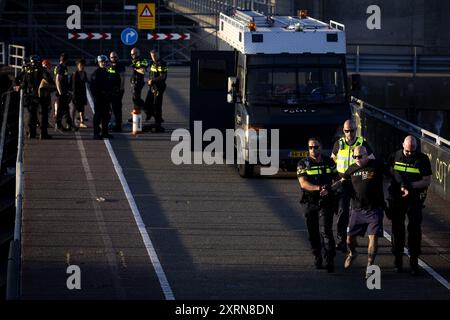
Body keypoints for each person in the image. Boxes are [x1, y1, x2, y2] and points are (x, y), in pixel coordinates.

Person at [337, 146, 401, 278]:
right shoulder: (351, 168)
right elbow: (342, 181)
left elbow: (392, 173)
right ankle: (352, 253)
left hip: (374, 209)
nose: (357, 159)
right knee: (349, 240)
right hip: (357, 209)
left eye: (360, 156)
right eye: (355, 157)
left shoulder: (376, 165)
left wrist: (402, 184)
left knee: (373, 237)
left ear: (367, 155)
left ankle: (370, 265)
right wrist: (328, 189)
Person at [387, 135, 432, 275]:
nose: (410, 154)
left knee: (414, 228)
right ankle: (398, 260)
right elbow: (389, 172)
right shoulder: (395, 156)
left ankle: (414, 261)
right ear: (403, 146)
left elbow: (426, 181)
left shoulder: (422, 159)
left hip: (414, 198)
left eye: (413, 151)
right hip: (397, 198)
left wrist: (409, 186)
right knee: (397, 228)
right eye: (407, 151)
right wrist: (400, 186)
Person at [331, 119, 375, 252]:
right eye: (346, 131)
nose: (349, 133)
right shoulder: (338, 143)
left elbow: (372, 160)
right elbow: (334, 157)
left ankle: (362, 239)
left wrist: (365, 175)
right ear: (343, 131)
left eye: (352, 130)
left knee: (362, 211)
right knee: (343, 211)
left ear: (356, 130)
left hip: (358, 183)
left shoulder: (362, 143)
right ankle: (342, 240)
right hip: (344, 182)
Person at [297, 138, 338, 272]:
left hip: (326, 202)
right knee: (313, 232)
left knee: (326, 230)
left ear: (321, 147)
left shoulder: (329, 162)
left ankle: (330, 259)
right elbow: (303, 183)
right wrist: (319, 188)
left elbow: (337, 179)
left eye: (315, 147)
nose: (313, 150)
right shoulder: (303, 163)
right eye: (310, 147)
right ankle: (317, 256)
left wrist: (330, 188)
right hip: (310, 202)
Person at [18, 55, 54, 139]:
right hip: (41, 95)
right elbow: (48, 79)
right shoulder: (42, 70)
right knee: (43, 115)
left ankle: (31, 133)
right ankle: (43, 134)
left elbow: (22, 83)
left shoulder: (27, 70)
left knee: (32, 115)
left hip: (30, 95)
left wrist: (20, 87)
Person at [145, 49, 168, 132]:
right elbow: (151, 73)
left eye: (155, 55)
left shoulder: (161, 63)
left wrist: (153, 80)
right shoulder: (152, 63)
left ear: (158, 55)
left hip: (159, 87)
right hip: (152, 87)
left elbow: (163, 76)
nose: (153, 57)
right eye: (152, 56)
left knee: (157, 105)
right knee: (147, 103)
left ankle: (158, 122)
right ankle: (155, 117)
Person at [90, 55, 112, 140]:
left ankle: (105, 132)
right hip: (99, 98)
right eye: (102, 62)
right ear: (98, 63)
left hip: (106, 98)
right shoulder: (96, 74)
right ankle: (96, 133)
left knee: (106, 115)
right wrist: (97, 97)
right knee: (98, 116)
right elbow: (93, 88)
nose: (103, 63)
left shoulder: (106, 72)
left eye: (104, 61)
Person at [54, 52, 75, 131]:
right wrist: (60, 92)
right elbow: (57, 80)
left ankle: (69, 124)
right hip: (61, 92)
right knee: (60, 110)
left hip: (64, 91)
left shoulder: (62, 67)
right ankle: (58, 126)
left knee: (66, 109)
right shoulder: (61, 68)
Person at [107, 51, 125, 132]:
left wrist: (121, 89)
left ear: (117, 57)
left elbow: (122, 77)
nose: (113, 58)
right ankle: (111, 123)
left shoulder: (120, 65)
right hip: (109, 90)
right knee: (110, 108)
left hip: (117, 90)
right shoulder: (109, 65)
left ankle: (118, 126)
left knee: (117, 108)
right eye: (112, 57)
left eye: (114, 57)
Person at [70, 58, 88, 128]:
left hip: (82, 93)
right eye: (80, 65)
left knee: (82, 108)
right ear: (77, 66)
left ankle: (82, 122)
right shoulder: (75, 74)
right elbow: (73, 86)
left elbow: (86, 82)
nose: (82, 67)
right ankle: (71, 123)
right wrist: (74, 96)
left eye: (83, 65)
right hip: (75, 94)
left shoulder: (85, 73)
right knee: (74, 109)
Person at [130, 47, 148, 113]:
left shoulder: (142, 60)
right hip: (134, 82)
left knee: (136, 99)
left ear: (138, 53)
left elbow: (143, 71)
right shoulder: (134, 60)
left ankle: (147, 109)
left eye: (133, 54)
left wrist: (135, 69)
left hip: (139, 82)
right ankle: (135, 114)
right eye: (131, 54)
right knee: (135, 99)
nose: (132, 56)